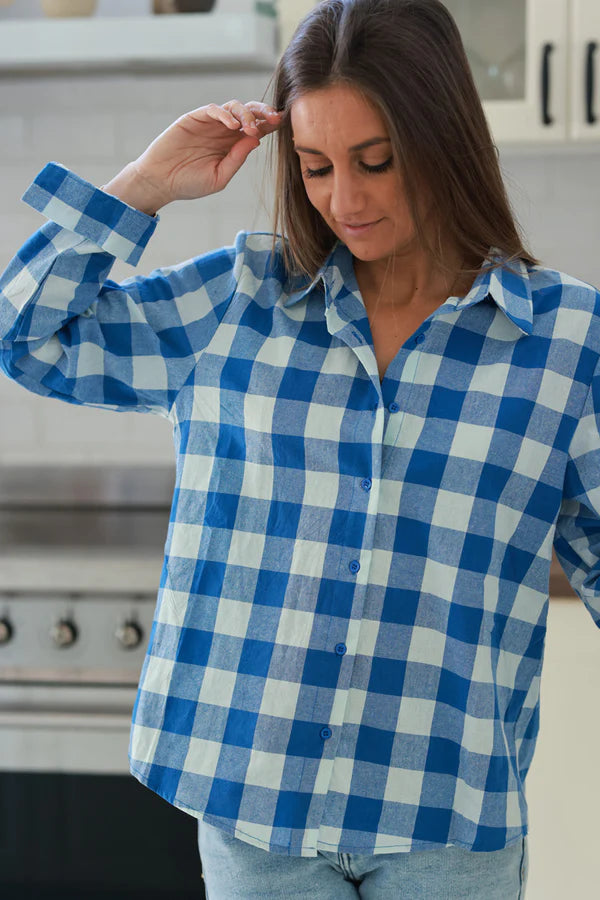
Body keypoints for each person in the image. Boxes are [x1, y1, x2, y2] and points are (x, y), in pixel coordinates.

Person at [0, 0, 598, 896]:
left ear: (445, 142)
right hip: (255, 814)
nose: (344, 200)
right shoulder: (237, 301)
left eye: (377, 162)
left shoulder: (566, 339)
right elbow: (27, 336)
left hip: (446, 823)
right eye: (316, 167)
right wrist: (143, 185)